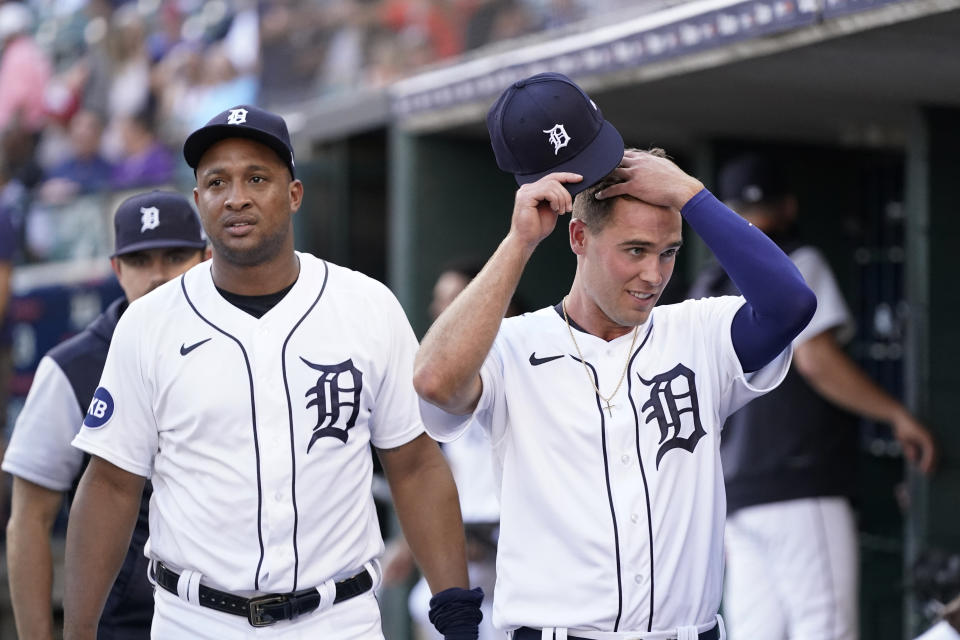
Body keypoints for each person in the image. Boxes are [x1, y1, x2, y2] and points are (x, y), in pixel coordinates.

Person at [414, 71, 817, 638]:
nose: (653, 274)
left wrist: (692, 196)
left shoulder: (698, 330)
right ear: (579, 238)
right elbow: (433, 381)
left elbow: (791, 304)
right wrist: (520, 241)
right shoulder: (512, 345)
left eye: (668, 252)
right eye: (634, 250)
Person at [63, 105, 480, 640]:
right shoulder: (148, 323)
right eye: (217, 182)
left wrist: (456, 611)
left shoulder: (367, 305)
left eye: (256, 178)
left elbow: (416, 464)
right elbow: (111, 485)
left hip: (338, 618)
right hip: (196, 620)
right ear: (199, 203)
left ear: (294, 193)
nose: (236, 196)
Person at [687, 153, 937, 640]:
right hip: (799, 484)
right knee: (824, 627)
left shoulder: (706, 284)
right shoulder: (796, 260)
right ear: (788, 207)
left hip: (735, 492)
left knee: (757, 631)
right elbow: (816, 360)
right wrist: (896, 415)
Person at [2, 190, 209, 640]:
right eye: (139, 261)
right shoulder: (71, 367)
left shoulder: (240, 346)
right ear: (116, 269)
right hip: (124, 625)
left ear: (206, 258)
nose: (157, 276)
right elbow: (30, 518)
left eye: (175, 256)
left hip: (229, 616)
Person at [386, 260, 516, 640]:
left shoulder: (523, 363)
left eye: (457, 299)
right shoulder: (442, 387)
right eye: (440, 301)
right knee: (423, 603)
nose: (445, 312)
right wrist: (406, 547)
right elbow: (441, 477)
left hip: (516, 574)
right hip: (467, 567)